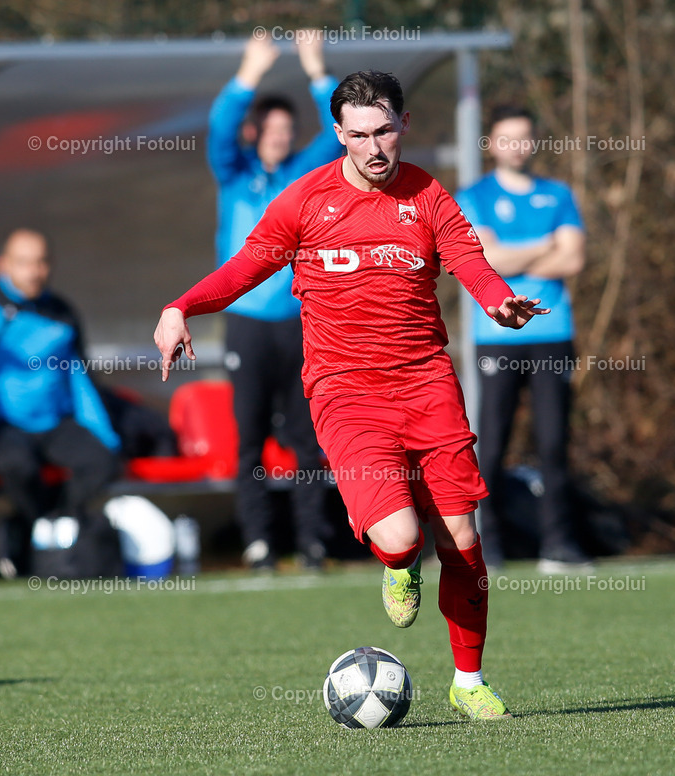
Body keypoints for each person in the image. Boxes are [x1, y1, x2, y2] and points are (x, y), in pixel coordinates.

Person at [155, 70, 547, 720]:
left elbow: (470, 260)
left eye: (384, 130)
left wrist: (500, 301)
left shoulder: (427, 194)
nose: (374, 146)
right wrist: (182, 305)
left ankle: (468, 680)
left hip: (427, 384)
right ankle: (396, 563)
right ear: (338, 133)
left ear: (403, 126)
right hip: (346, 393)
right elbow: (245, 267)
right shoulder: (305, 200)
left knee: (462, 538)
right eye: (359, 134)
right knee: (400, 538)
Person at [207, 32, 344, 570]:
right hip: (245, 325)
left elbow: (338, 138)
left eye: (289, 129)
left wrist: (316, 70)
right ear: (255, 132)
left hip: (299, 325)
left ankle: (312, 539)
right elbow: (219, 131)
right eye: (273, 129)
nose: (282, 137)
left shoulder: (303, 175)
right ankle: (259, 540)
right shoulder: (235, 174)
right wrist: (248, 73)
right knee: (252, 438)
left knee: (309, 439)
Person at [457, 105, 591, 573]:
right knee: (490, 441)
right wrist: (544, 245)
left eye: (524, 137)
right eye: (506, 137)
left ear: (534, 141)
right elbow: (486, 261)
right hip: (495, 335)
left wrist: (515, 255)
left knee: (553, 442)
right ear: (492, 143)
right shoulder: (473, 196)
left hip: (552, 334)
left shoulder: (558, 195)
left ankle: (559, 545)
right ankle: (485, 544)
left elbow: (573, 259)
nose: (516, 145)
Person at [0, 229, 121, 578]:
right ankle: (32, 528)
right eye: (24, 263)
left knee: (101, 461)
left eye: (41, 262)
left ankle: (56, 521)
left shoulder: (62, 312)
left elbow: (81, 378)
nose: (34, 272)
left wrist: (105, 434)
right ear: (4, 265)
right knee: (16, 465)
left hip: (54, 423)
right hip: (8, 426)